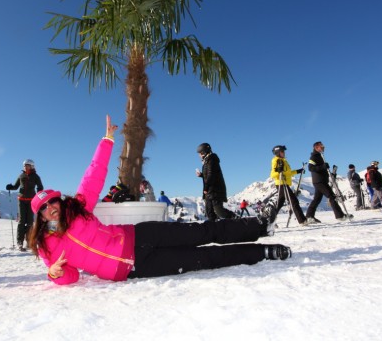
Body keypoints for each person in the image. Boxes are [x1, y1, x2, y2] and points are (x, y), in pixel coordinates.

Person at [28, 115, 291, 285]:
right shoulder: (46, 247)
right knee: (205, 259)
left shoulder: (77, 209)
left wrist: (106, 141)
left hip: (140, 236)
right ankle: (261, 252)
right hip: (135, 269)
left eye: (52, 201)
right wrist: (56, 275)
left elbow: (94, 174)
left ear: (60, 202)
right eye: (44, 207)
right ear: (39, 216)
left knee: (202, 231)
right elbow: (70, 275)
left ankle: (260, 226)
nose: (50, 208)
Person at [306, 141, 352, 223]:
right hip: (319, 181)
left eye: (323, 146)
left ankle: (309, 216)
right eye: (321, 146)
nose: (323, 147)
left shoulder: (319, 156)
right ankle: (340, 216)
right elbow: (310, 168)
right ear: (316, 147)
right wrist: (322, 166)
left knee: (317, 199)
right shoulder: (314, 157)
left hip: (320, 180)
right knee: (331, 196)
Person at [6, 159, 44, 251]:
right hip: (21, 200)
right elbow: (15, 186)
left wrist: (39, 194)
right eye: (25, 165)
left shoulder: (35, 176)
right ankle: (20, 242)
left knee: (30, 221)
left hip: (31, 200)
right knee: (22, 221)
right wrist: (10, 187)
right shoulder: (21, 175)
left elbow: (40, 187)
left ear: (32, 166)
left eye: (28, 165)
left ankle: (29, 241)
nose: (26, 167)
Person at [195, 143, 236, 221]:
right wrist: (201, 175)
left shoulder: (211, 160)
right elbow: (209, 175)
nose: (199, 155)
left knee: (219, 210)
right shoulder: (206, 161)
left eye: (200, 153)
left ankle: (235, 218)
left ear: (204, 152)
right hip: (210, 190)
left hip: (216, 190)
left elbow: (211, 176)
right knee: (209, 211)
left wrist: (206, 188)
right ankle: (213, 228)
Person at [269, 145, 308, 225]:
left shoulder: (283, 161)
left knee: (279, 204)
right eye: (282, 151)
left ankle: (269, 220)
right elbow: (272, 174)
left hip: (284, 183)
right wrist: (278, 171)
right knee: (293, 201)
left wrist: (298, 171)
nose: (284, 153)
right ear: (278, 153)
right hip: (281, 184)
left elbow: (287, 173)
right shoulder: (276, 160)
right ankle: (302, 220)